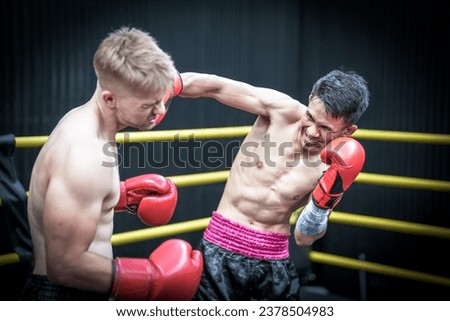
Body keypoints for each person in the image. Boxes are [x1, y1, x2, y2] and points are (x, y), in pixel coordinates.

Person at [21, 27, 203, 301]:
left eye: (161, 99)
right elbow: (64, 266)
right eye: (148, 106)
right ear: (110, 99)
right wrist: (150, 279)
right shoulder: (84, 155)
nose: (161, 111)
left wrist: (122, 196)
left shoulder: (85, 121)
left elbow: (71, 202)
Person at [178, 69, 369, 300]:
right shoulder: (282, 110)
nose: (311, 131)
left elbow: (303, 237)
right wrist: (167, 85)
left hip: (273, 261)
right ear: (310, 99)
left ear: (348, 132)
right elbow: (216, 87)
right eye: (310, 117)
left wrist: (322, 205)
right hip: (221, 246)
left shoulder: (333, 166)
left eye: (325, 129)